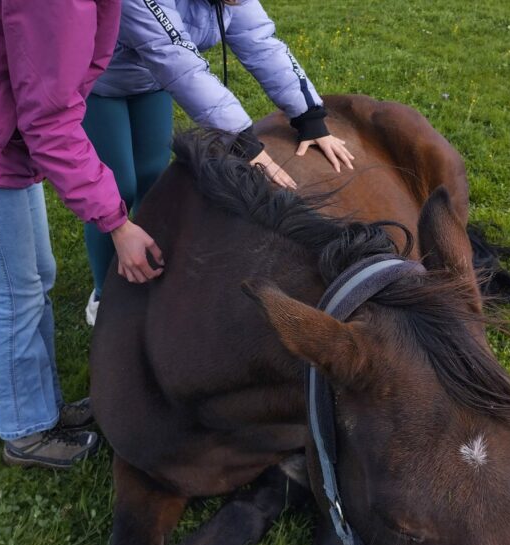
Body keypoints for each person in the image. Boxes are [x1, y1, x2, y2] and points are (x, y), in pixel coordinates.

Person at [0, 0, 164, 469]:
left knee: (35, 275)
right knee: (14, 289)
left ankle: (42, 407)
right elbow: (49, 118)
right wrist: (117, 224)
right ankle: (26, 432)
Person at [82, 0, 354, 325]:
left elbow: (260, 43)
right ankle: (105, 293)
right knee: (117, 187)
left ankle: (144, 263)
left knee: (152, 178)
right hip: (99, 82)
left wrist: (309, 117)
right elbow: (175, 57)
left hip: (150, 81)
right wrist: (241, 141)